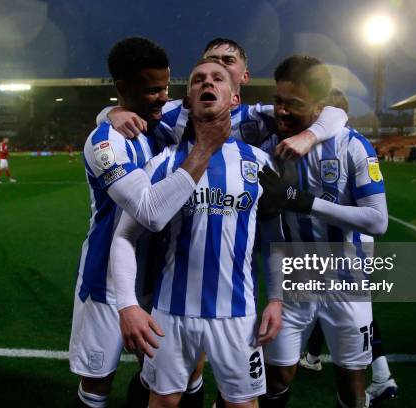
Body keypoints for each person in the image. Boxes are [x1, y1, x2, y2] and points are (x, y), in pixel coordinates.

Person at [110, 59, 285, 408]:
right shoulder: (163, 163)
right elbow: (124, 237)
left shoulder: (260, 164)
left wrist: (278, 299)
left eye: (218, 79)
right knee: (163, 402)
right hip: (171, 313)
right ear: (187, 100)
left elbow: (274, 238)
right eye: (198, 80)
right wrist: (127, 304)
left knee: (242, 405)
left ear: (234, 98)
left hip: (238, 314)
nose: (208, 83)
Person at [68, 37, 229, 408]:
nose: (163, 97)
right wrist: (107, 115)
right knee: (96, 386)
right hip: (107, 284)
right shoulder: (107, 141)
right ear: (123, 89)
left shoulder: (160, 121)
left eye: (167, 87)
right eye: (153, 89)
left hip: (158, 279)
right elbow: (150, 212)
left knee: (170, 374)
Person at [257, 55, 388, 408]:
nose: (281, 112)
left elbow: (378, 221)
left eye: (293, 105)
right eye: (278, 101)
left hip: (348, 282)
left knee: (351, 384)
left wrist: (304, 202)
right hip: (296, 280)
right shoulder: (270, 148)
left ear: (320, 105)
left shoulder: (353, 146)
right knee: (275, 378)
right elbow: (268, 223)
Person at [296, 89, 399, 405]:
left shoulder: (351, 146)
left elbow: (375, 218)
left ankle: (381, 377)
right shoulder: (315, 147)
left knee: (351, 310)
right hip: (337, 254)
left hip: (351, 251)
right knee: (323, 300)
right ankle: (314, 355)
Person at [98, 38, 348, 160]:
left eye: (228, 61)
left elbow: (333, 114)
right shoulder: (171, 113)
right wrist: (111, 112)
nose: (218, 67)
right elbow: (133, 108)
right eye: (211, 61)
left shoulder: (257, 118)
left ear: (244, 76)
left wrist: (309, 136)